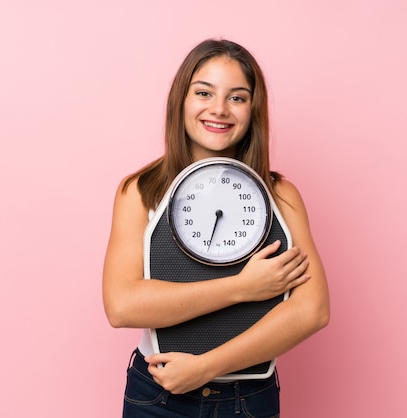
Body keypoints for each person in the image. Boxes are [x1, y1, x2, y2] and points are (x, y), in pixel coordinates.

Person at [102, 39, 330, 417]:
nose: (219, 109)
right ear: (181, 100)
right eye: (204, 92)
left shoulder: (281, 196)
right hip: (158, 397)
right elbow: (122, 305)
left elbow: (312, 310)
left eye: (237, 98)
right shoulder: (140, 191)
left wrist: (205, 368)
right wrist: (242, 287)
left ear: (253, 109)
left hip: (248, 399)